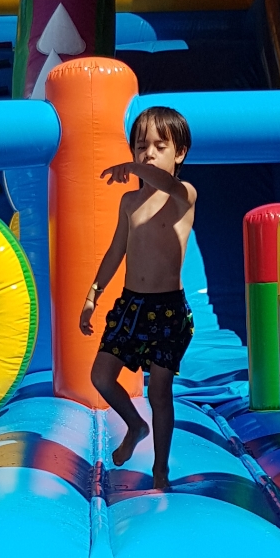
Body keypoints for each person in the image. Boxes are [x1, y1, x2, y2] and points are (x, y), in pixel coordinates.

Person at [79, 104, 197, 492]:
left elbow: (166, 184)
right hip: (133, 305)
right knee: (100, 375)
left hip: (167, 310)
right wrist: (94, 294)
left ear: (179, 153)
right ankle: (135, 424)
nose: (147, 153)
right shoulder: (129, 203)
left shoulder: (183, 196)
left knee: (159, 390)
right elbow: (117, 250)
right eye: (140, 146)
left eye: (159, 146)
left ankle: (160, 469)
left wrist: (134, 170)